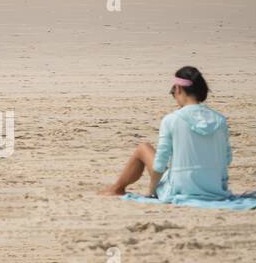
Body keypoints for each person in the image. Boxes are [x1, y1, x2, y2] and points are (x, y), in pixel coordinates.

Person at [98, 66, 232, 201]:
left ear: (178, 89)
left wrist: (152, 191)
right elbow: (227, 159)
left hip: (180, 188)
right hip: (215, 188)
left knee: (143, 148)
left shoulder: (171, 120)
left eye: (173, 92)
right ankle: (116, 188)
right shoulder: (220, 120)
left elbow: (160, 162)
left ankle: (116, 188)